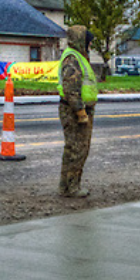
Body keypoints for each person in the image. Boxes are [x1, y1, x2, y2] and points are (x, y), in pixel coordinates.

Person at [57, 25, 98, 198]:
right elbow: (71, 89)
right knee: (78, 150)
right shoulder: (73, 59)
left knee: (72, 149)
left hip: (76, 109)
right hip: (75, 111)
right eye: (88, 41)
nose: (90, 45)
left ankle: (65, 186)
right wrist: (81, 113)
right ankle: (72, 187)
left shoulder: (77, 57)